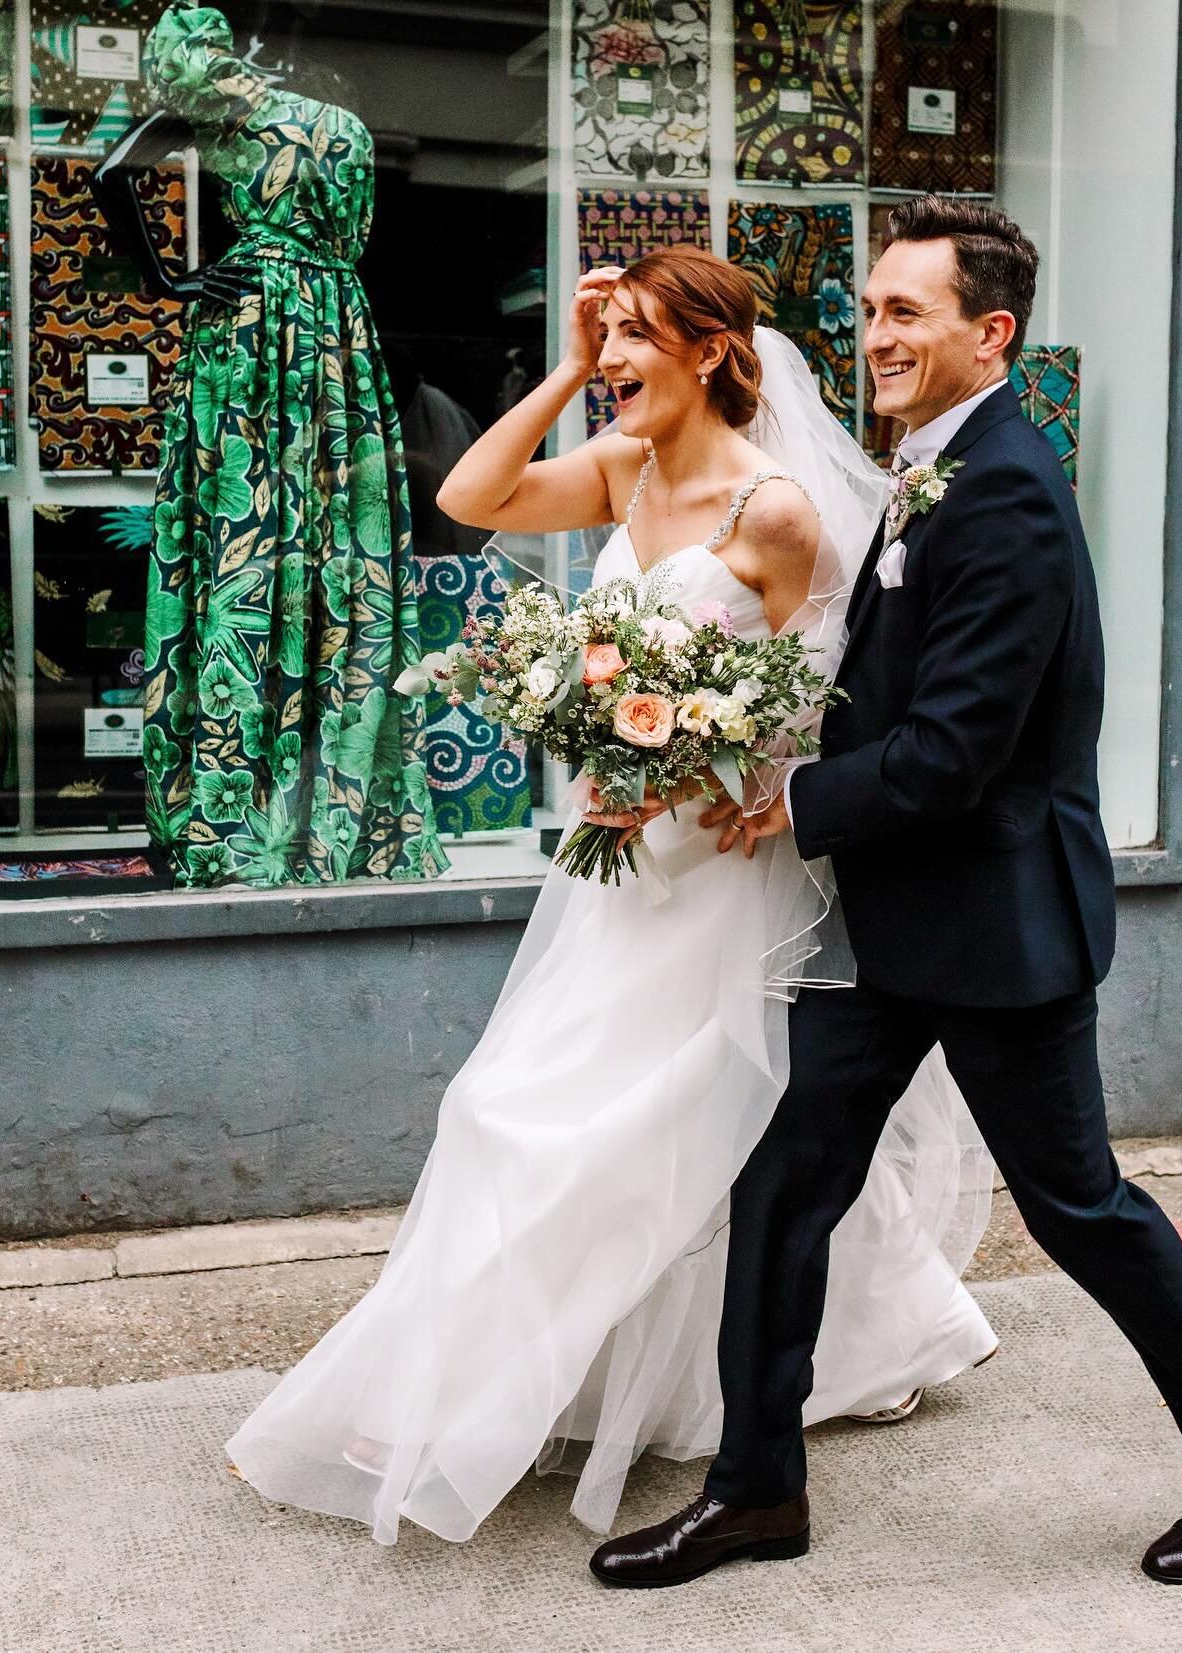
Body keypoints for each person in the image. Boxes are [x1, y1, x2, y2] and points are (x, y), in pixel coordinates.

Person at [590, 198, 1182, 1591]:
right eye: (866, 309)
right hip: (889, 925)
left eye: (904, 313)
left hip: (993, 925)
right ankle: (755, 1492)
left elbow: (957, 749)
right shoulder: (927, 468)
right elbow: (888, 691)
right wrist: (763, 738)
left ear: (991, 332)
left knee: (1079, 1206)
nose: (874, 336)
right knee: (783, 1189)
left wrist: (787, 805)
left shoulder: (1008, 489)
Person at [224, 244, 999, 1545]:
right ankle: (880, 1329)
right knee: (643, 1128)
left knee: (569, 1125)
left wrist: (691, 768)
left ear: (710, 352)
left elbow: (819, 702)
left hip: (717, 873)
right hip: (612, 875)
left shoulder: (776, 513)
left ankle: (458, 1403)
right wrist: (573, 367)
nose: (617, 358)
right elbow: (472, 495)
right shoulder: (623, 469)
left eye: (637, 335)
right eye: (610, 337)